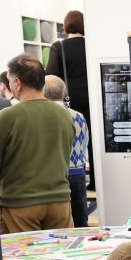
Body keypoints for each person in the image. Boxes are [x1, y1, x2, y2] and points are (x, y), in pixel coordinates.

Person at [0, 53, 86, 260]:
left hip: (19, 202)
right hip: (59, 200)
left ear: (17, 83)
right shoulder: (64, 114)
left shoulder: (8, 115)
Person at [45, 11, 93, 190]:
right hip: (91, 98)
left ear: (66, 26)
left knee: (70, 137)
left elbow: (51, 74)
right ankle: (95, 181)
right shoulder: (92, 45)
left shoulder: (58, 47)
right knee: (92, 138)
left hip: (68, 99)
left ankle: (68, 179)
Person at [43, 75, 89, 227]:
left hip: (54, 176)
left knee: (57, 225)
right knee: (80, 221)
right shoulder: (79, 116)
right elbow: (85, 144)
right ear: (64, 93)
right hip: (77, 174)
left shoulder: (44, 116)